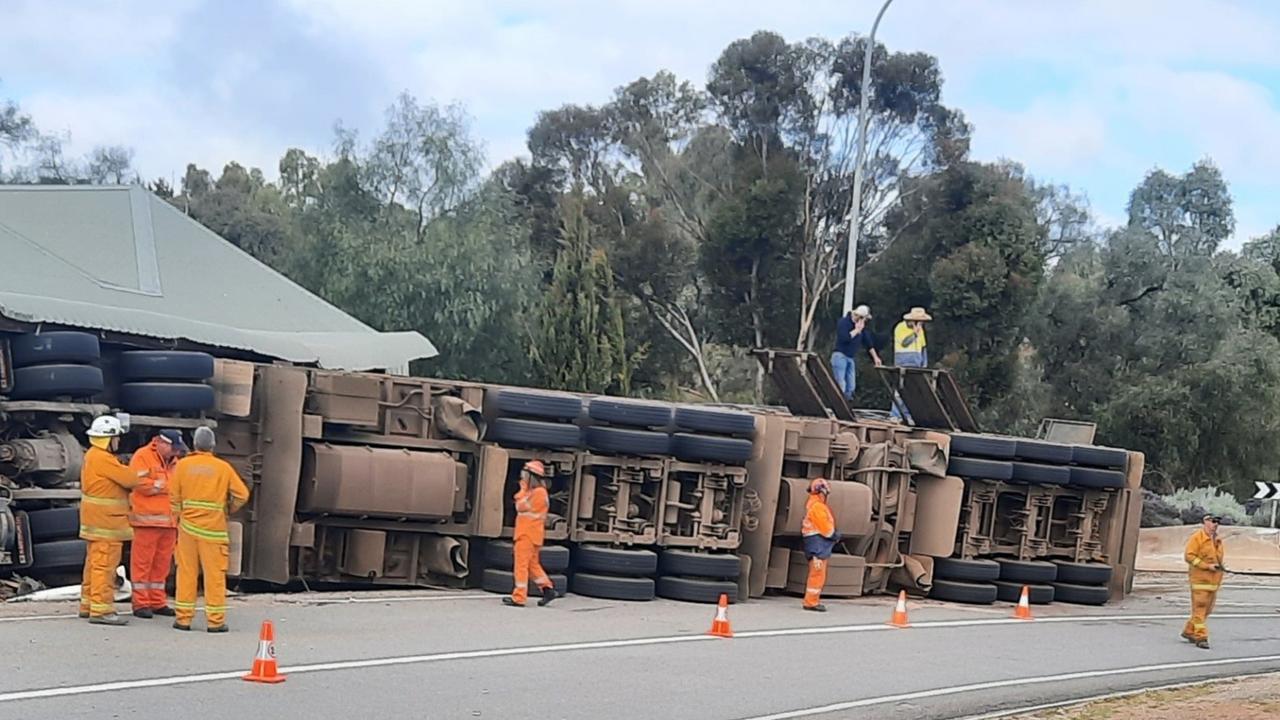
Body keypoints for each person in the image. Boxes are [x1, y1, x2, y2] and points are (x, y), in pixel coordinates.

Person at [170, 427, 250, 633]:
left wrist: (180, 517)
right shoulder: (223, 468)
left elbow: (174, 497)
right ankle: (215, 621)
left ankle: (183, 619)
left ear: (195, 444)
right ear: (212, 445)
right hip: (214, 531)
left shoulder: (182, 466)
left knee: (186, 574)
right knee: (214, 576)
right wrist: (227, 510)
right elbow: (242, 494)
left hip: (187, 529)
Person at [78, 415, 149, 626]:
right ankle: (102, 610)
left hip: (95, 522)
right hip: (107, 524)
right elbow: (130, 480)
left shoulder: (92, 456)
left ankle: (88, 605)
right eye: (116, 438)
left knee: (93, 565)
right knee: (104, 566)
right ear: (108, 439)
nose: (118, 442)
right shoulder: (104, 459)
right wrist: (138, 474)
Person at [127, 429, 186, 619]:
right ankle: (141, 603)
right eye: (173, 449)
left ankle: (157, 601)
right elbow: (140, 484)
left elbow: (180, 488)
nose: (175, 453)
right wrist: (166, 486)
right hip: (146, 521)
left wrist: (159, 485)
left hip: (169, 523)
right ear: (161, 443)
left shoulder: (176, 463)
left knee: (162, 565)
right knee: (142, 564)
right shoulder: (142, 456)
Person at [504, 460, 557, 608]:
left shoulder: (538, 493)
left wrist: (521, 491)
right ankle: (547, 589)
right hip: (531, 534)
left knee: (520, 565)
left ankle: (519, 597)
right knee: (532, 565)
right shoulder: (535, 492)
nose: (522, 476)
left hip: (527, 534)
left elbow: (521, 506)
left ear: (531, 476)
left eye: (524, 473)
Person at [1182, 514, 1226, 649]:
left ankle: (1189, 631)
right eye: (1213, 521)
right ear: (1205, 522)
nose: (1216, 524)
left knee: (1206, 610)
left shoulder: (1217, 540)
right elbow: (1189, 556)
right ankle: (1201, 637)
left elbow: (1217, 558)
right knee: (1200, 609)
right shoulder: (1197, 538)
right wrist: (1206, 566)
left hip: (1213, 582)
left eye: (1217, 522)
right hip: (1200, 581)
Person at [801, 478, 841, 612]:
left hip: (816, 543)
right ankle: (811, 602)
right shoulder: (817, 506)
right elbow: (825, 528)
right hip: (817, 544)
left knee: (818, 574)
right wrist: (834, 535)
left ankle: (812, 600)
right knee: (817, 574)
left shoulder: (814, 504)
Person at [889, 307, 933, 421]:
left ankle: (908, 415)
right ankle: (895, 415)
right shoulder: (900, 327)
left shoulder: (921, 330)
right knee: (900, 390)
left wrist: (924, 363)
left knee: (912, 391)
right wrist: (914, 333)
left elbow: (923, 347)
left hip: (916, 363)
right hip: (902, 362)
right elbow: (904, 343)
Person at [831, 305, 882, 401]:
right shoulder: (844, 322)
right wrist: (856, 330)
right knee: (840, 383)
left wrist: (875, 357)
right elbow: (844, 338)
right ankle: (838, 404)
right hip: (840, 355)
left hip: (850, 357)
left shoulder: (863, 329)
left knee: (851, 386)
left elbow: (868, 343)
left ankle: (847, 404)